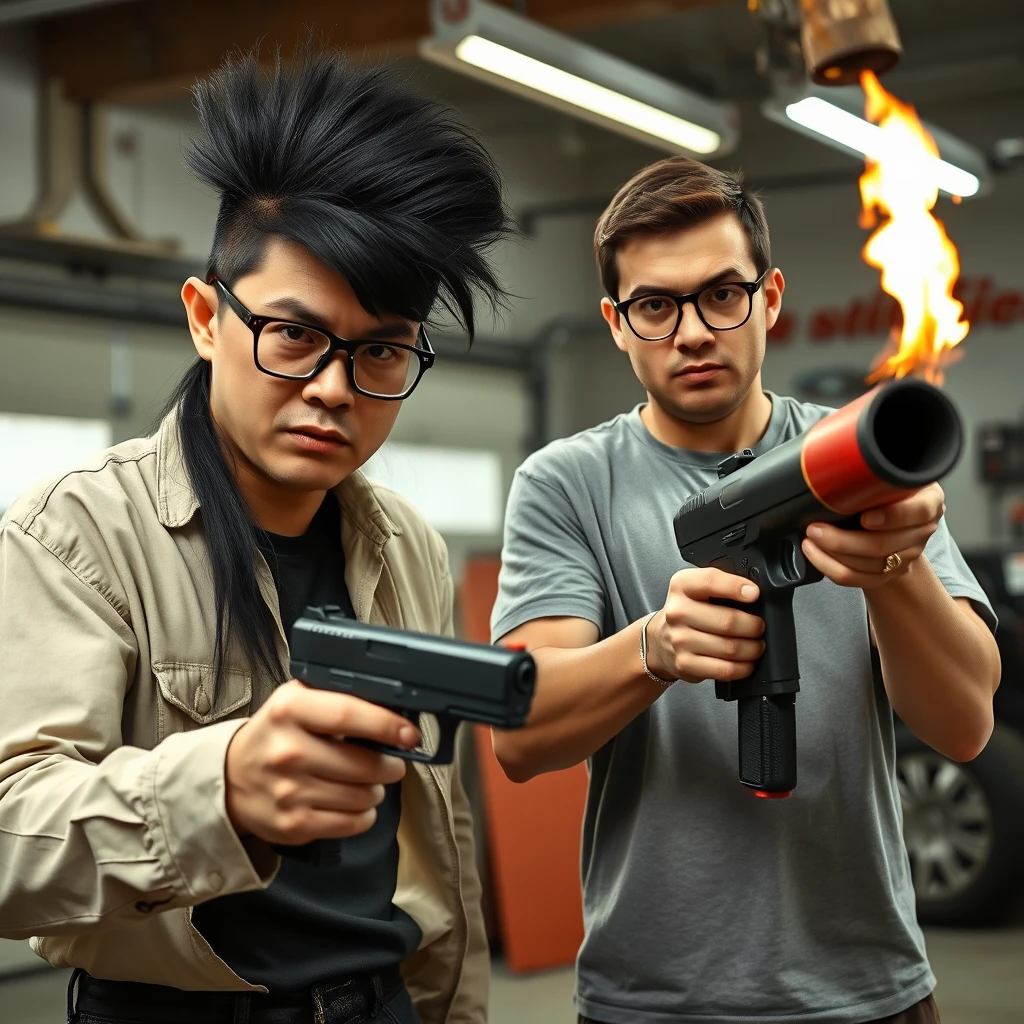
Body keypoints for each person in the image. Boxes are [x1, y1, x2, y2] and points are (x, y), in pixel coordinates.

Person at [0, 44, 511, 1024]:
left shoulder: (407, 545)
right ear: (205, 316)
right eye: (294, 335)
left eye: (382, 352)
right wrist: (219, 786)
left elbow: (440, 841)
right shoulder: (75, 534)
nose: (332, 387)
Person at [490, 156, 1000, 1024]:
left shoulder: (857, 459)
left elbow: (962, 725)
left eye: (722, 294)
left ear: (768, 298)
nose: (693, 331)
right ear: (616, 323)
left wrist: (893, 566)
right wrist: (653, 649)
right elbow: (522, 736)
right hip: (652, 997)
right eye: (655, 305)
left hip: (870, 989)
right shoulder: (567, 482)